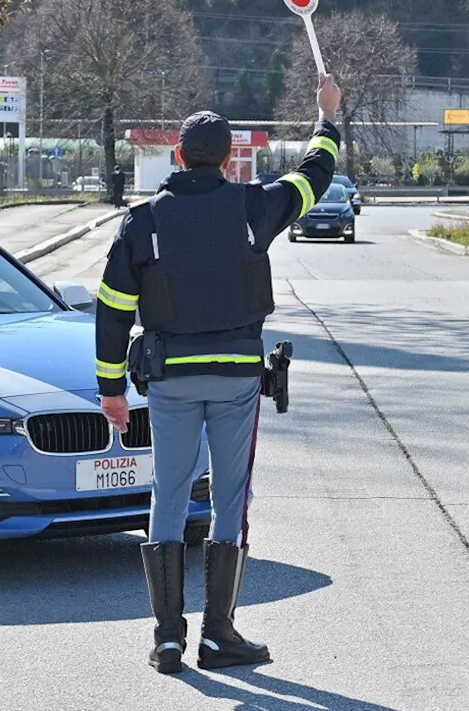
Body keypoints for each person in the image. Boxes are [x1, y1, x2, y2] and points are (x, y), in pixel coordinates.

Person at [94, 75, 342, 673]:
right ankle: (219, 634)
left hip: (171, 382)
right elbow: (313, 178)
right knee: (231, 498)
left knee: (168, 498)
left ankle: (167, 640)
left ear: (178, 156)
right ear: (229, 158)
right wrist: (326, 119)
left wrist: (110, 390)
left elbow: (111, 309)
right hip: (235, 382)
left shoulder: (143, 222)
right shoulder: (252, 207)